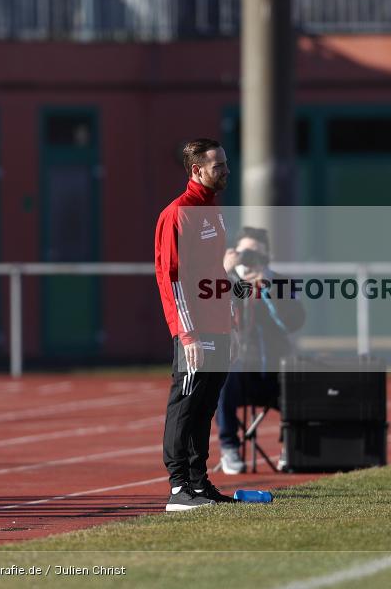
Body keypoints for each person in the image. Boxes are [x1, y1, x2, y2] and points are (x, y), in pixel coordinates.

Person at [154, 138, 235, 511]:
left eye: (225, 164)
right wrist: (187, 333)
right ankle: (178, 487)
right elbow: (171, 277)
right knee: (185, 404)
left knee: (205, 405)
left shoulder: (213, 211)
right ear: (197, 170)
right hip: (195, 331)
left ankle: (199, 483)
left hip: (220, 326)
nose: (226, 171)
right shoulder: (178, 213)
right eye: (218, 166)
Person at [217, 227, 306, 473]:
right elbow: (206, 310)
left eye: (256, 254)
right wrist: (224, 272)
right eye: (245, 253)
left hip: (274, 370)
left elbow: (293, 322)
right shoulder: (223, 282)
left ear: (268, 256)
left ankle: (291, 446)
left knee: (301, 380)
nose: (250, 259)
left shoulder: (281, 283)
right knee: (219, 378)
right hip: (240, 373)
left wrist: (266, 285)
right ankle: (229, 448)